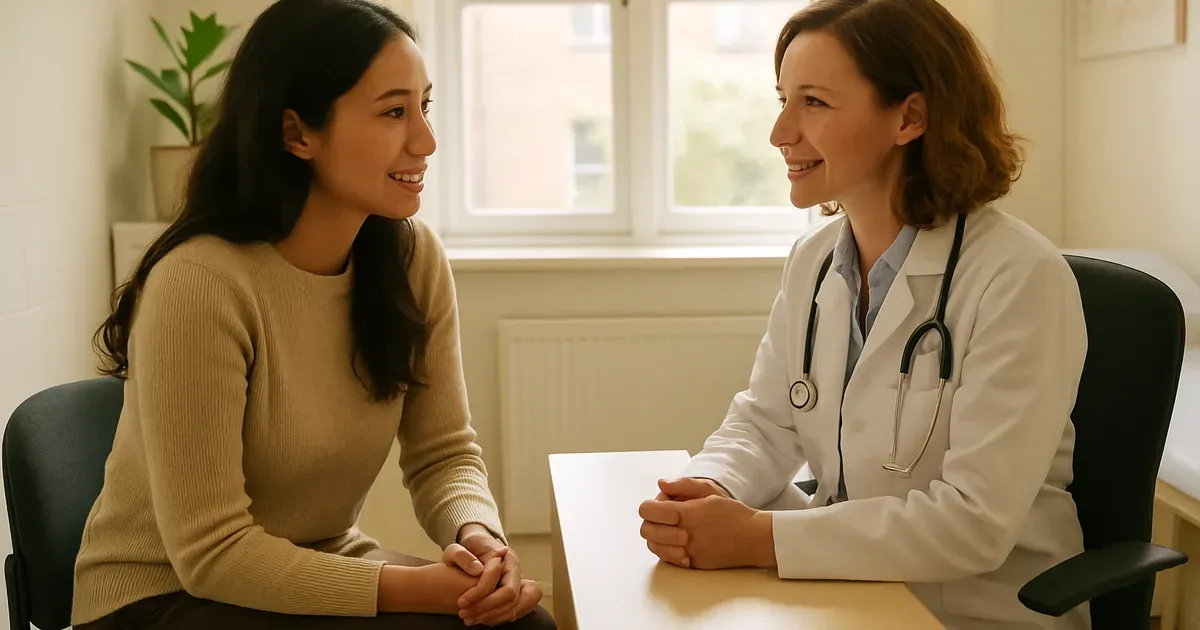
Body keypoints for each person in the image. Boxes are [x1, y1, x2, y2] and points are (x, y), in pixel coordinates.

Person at [71, 1, 555, 628]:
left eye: (424, 107)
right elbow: (212, 554)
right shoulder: (200, 284)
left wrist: (479, 539)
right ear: (297, 133)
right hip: (161, 597)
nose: (425, 142)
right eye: (392, 112)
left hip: (310, 566)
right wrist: (415, 588)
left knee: (523, 624)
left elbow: (443, 453)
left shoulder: (412, 260)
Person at [637, 1, 1090, 629]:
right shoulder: (815, 259)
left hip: (973, 612)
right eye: (782, 98)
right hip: (847, 595)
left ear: (909, 117)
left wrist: (753, 538)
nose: (779, 132)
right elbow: (767, 421)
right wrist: (710, 489)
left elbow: (973, 524)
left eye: (814, 103)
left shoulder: (1018, 278)